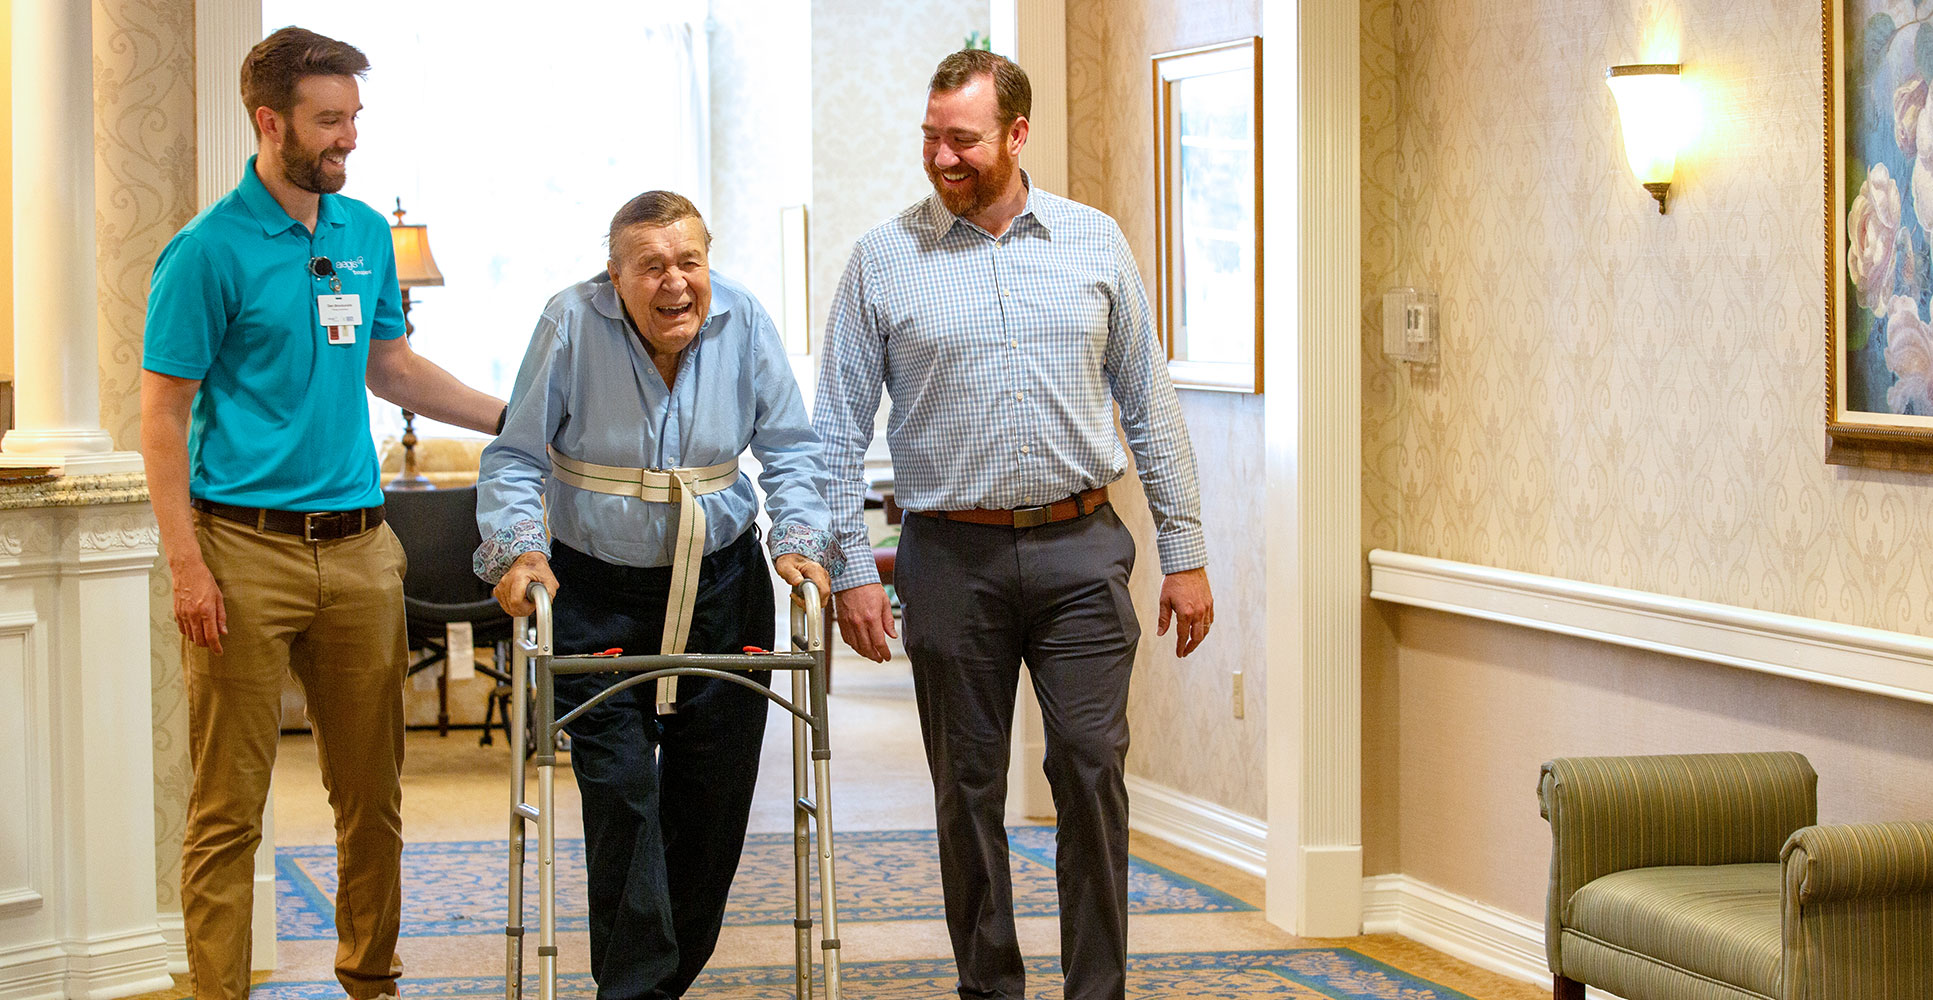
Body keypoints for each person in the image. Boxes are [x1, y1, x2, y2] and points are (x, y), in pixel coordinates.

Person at [812, 48, 1217, 1000]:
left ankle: (1096, 989)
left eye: (963, 140)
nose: (941, 158)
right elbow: (833, 429)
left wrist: (1186, 552)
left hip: (1082, 549)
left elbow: (1151, 407)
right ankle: (988, 986)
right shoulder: (882, 259)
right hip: (949, 556)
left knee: (1091, 766)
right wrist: (852, 569)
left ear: (1017, 134)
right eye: (930, 138)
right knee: (967, 786)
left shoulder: (1093, 242)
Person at [137, 26, 507, 1000]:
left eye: (353, 118)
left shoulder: (363, 235)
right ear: (270, 122)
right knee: (228, 807)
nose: (348, 138)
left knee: (372, 798)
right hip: (241, 549)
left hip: (359, 549)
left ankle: (371, 977)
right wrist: (186, 565)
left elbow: (392, 367)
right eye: (329, 120)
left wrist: (510, 419)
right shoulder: (205, 251)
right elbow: (162, 417)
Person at [476, 190, 839, 1000]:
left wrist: (800, 540)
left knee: (712, 809)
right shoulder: (570, 322)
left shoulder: (744, 319)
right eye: (651, 267)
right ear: (614, 276)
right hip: (595, 589)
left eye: (689, 262)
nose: (675, 282)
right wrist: (519, 548)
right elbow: (515, 457)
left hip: (724, 585)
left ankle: (652, 988)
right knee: (623, 802)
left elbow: (790, 449)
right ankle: (636, 994)